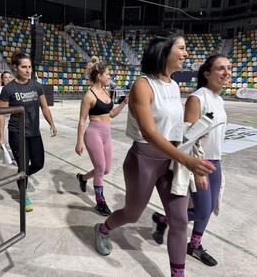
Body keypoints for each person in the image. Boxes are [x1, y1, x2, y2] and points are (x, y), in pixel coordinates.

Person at [93, 30, 216, 277]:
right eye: (181, 48)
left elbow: (172, 127)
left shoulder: (174, 86)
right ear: (164, 51)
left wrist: (194, 137)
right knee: (132, 213)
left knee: (180, 220)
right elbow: (149, 132)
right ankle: (103, 229)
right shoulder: (142, 85)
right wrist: (187, 160)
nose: (186, 53)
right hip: (144, 160)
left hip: (173, 160)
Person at [152, 54, 229, 267]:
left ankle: (194, 245)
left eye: (228, 68)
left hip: (217, 161)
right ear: (207, 73)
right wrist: (196, 169)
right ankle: (164, 218)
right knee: (202, 210)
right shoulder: (197, 98)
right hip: (200, 162)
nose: (226, 72)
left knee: (209, 208)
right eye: (220, 68)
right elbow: (188, 138)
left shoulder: (219, 99)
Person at [0, 52, 57, 212]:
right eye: (24, 67)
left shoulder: (36, 86)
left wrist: (51, 123)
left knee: (38, 163)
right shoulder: (8, 89)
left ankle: (21, 178)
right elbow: (1, 114)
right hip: (17, 132)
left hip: (34, 132)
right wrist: (1, 136)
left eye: (29, 67)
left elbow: (44, 107)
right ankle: (23, 191)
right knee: (23, 165)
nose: (28, 70)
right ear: (15, 67)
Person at [75, 56, 128, 216]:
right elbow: (82, 121)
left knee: (106, 169)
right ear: (99, 76)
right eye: (107, 74)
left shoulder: (106, 92)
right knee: (100, 169)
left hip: (106, 133)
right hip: (93, 133)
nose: (109, 77)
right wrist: (79, 142)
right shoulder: (89, 96)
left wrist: (124, 103)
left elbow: (110, 114)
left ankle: (83, 178)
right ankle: (100, 201)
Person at [0, 71, 15, 163]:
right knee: (5, 140)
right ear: (2, 79)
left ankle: (15, 157)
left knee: (15, 139)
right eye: (5, 77)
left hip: (14, 118)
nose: (8, 79)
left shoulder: (15, 89)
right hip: (4, 118)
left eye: (9, 77)